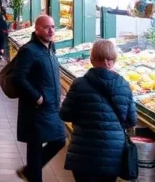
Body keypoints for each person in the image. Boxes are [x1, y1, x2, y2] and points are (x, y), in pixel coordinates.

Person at [59, 40, 137, 182]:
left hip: (83, 153)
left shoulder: (79, 84)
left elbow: (65, 114)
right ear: (113, 60)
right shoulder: (124, 86)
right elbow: (131, 120)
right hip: (113, 154)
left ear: (92, 59)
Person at [11, 15, 66, 182]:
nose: (51, 31)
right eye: (46, 27)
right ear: (37, 29)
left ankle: (29, 171)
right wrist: (37, 97)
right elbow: (18, 78)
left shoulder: (50, 48)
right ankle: (32, 173)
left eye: (53, 27)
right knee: (34, 148)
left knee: (59, 140)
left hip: (51, 105)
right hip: (35, 108)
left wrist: (59, 92)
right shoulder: (29, 50)